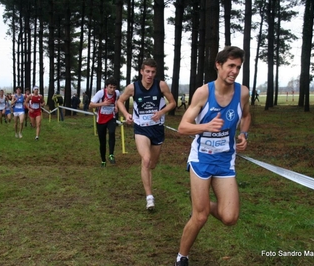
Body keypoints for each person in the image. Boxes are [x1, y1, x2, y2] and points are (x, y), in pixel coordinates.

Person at [174, 46, 251, 266]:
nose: (234, 71)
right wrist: (207, 126)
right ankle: (182, 257)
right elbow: (182, 127)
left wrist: (244, 133)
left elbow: (246, 116)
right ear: (218, 65)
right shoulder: (203, 93)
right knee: (200, 216)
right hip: (202, 160)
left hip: (225, 161)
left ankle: (201, 201)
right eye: (230, 66)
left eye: (238, 67)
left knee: (230, 217)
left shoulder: (242, 93)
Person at [117, 58, 176, 211]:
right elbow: (120, 101)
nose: (150, 75)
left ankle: (147, 179)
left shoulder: (161, 85)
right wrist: (126, 114)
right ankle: (149, 197)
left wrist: (161, 112)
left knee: (153, 164)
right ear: (141, 71)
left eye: (153, 72)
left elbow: (172, 102)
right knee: (146, 159)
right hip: (141, 129)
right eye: (147, 71)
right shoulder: (133, 87)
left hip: (157, 129)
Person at [89, 77, 120, 167]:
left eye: (114, 87)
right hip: (101, 119)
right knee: (102, 141)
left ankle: (111, 154)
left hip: (111, 117)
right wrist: (102, 104)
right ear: (106, 87)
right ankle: (103, 160)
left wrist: (116, 106)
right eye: (110, 87)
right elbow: (91, 105)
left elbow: (118, 100)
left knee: (112, 132)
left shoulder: (117, 93)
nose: (112, 90)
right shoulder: (101, 93)